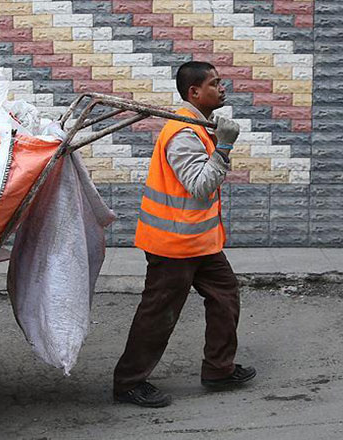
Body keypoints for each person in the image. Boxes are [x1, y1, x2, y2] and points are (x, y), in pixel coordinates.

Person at [113, 61, 255, 408]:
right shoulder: (182, 134)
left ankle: (218, 369)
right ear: (195, 92)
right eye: (215, 84)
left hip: (199, 243)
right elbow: (199, 186)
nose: (223, 89)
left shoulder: (199, 126)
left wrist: (217, 140)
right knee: (159, 313)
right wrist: (224, 147)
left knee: (225, 295)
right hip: (173, 244)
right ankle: (128, 383)